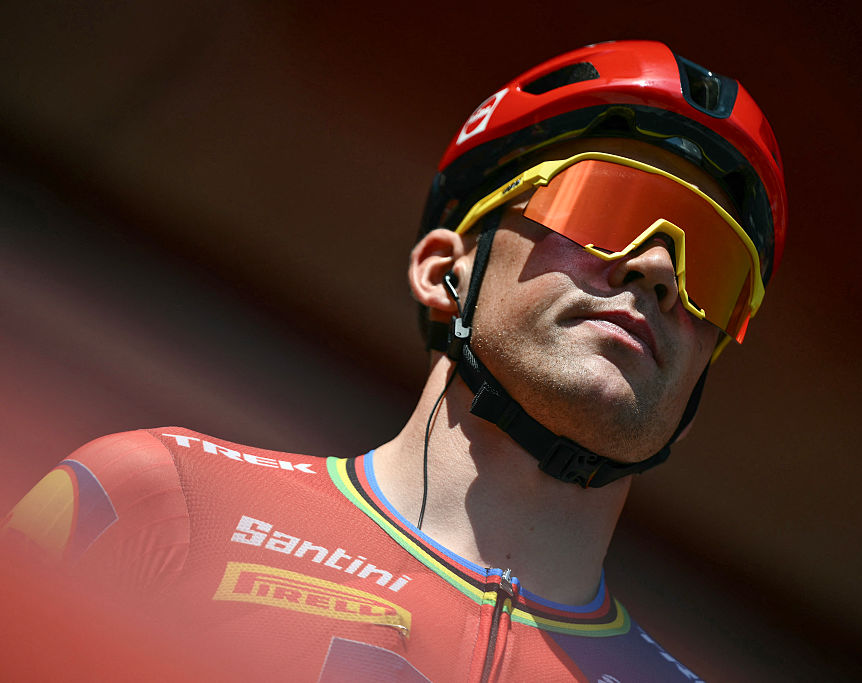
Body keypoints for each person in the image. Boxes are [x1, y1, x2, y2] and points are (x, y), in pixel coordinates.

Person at [0, 40, 786, 681]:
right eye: (607, 206)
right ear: (445, 270)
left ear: (694, 396)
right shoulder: (150, 499)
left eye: (715, 271)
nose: (656, 270)